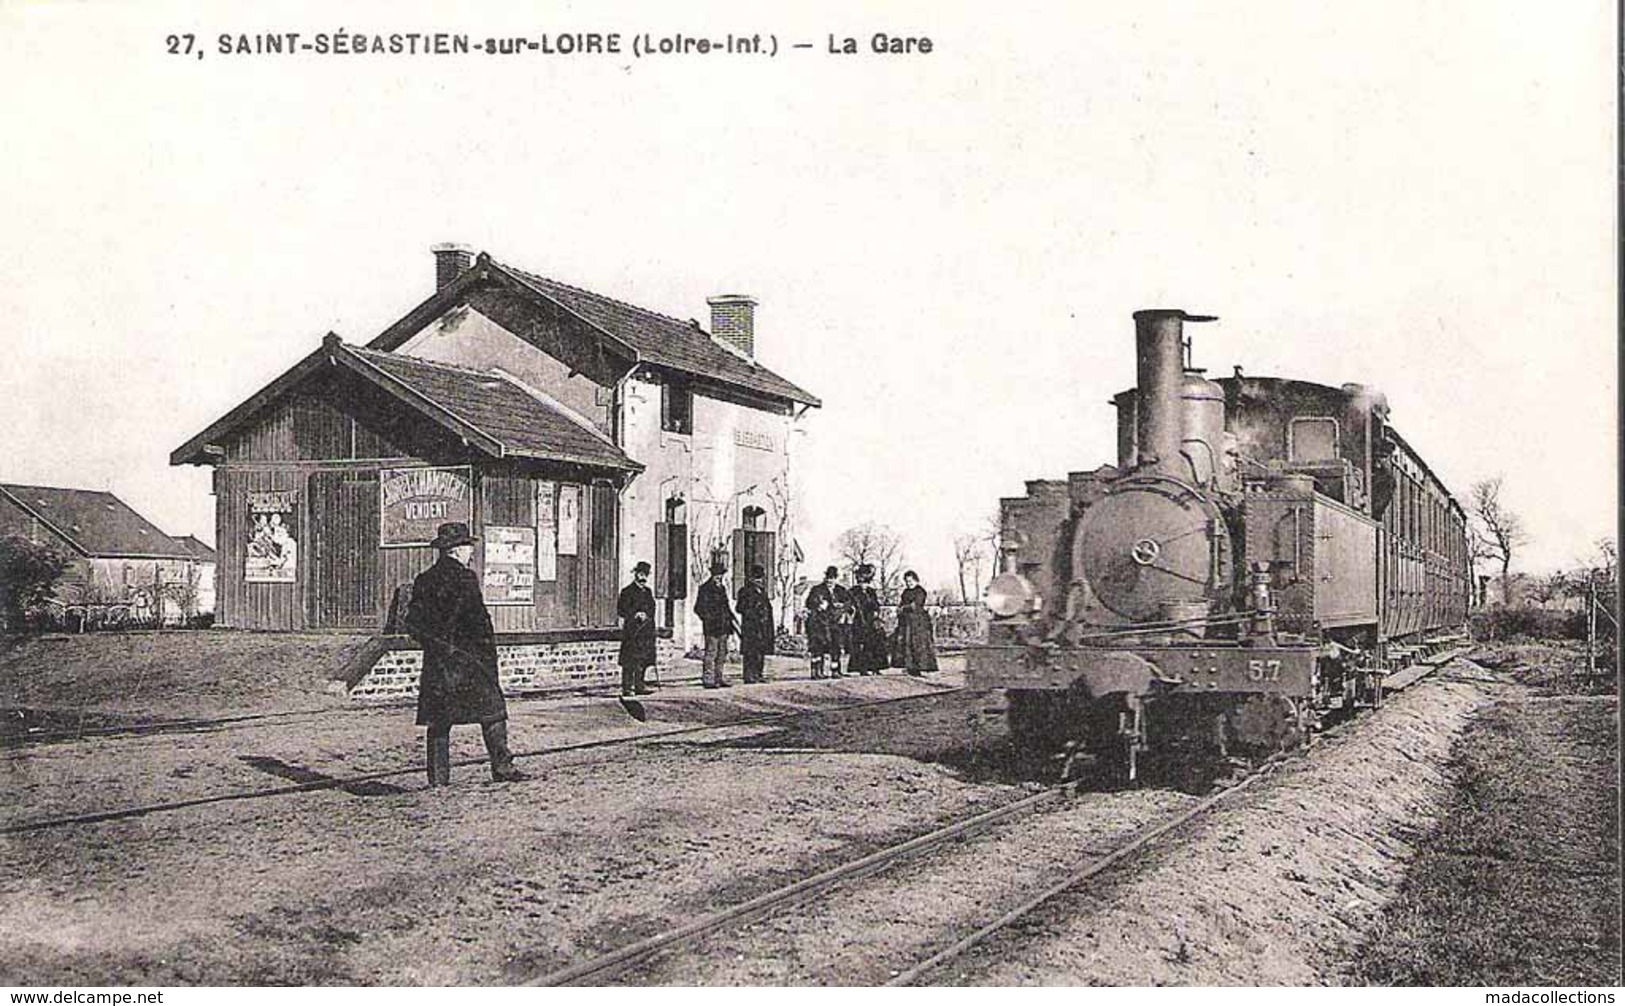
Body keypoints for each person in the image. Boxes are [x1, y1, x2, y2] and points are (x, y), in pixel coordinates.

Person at [404, 522, 525, 787]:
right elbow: (479, 622)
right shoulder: (466, 578)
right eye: (468, 546)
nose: (471, 551)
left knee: (439, 720)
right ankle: (502, 767)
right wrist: (484, 653)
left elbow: (412, 622)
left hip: (439, 662)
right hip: (470, 661)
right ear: (457, 550)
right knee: (493, 712)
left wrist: (435, 646)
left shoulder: (424, 580)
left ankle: (438, 779)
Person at [694, 558, 738, 688]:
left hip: (724, 626)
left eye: (721, 575)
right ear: (712, 575)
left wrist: (731, 619)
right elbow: (698, 608)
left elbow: (726, 606)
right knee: (711, 653)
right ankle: (708, 679)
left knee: (722, 653)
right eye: (716, 575)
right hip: (712, 627)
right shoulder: (705, 589)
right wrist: (708, 619)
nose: (719, 577)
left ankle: (719, 678)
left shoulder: (722, 589)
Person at [617, 561, 657, 697]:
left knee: (643, 660)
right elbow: (621, 610)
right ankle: (627, 687)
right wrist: (635, 614)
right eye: (640, 574)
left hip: (645, 631)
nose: (643, 577)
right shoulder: (627, 592)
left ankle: (640, 685)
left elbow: (652, 608)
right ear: (636, 574)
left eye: (645, 575)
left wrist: (647, 615)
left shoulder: (648, 592)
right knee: (630, 660)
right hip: (632, 632)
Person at [892, 570, 939, 676]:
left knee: (918, 645)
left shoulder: (920, 591)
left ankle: (920, 667)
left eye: (910, 581)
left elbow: (915, 605)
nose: (909, 583)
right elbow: (901, 604)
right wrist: (900, 609)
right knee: (907, 645)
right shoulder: (905, 592)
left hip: (918, 622)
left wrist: (903, 608)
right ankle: (910, 667)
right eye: (907, 581)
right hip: (906, 622)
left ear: (916, 580)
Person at [804, 566, 847, 679]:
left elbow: (849, 603)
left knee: (836, 646)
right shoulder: (817, 589)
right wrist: (818, 605)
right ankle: (816, 671)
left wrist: (841, 607)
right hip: (819, 623)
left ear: (836, 579)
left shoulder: (841, 590)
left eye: (832, 578)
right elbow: (808, 603)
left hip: (835, 623)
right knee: (818, 647)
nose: (829, 581)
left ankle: (835, 671)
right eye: (828, 578)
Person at [846, 563, 888, 676]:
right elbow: (848, 605)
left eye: (866, 582)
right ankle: (862, 668)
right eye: (861, 581)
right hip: (859, 621)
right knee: (860, 645)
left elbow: (876, 605)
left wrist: (876, 611)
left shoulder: (871, 592)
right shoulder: (852, 592)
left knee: (874, 644)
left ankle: (875, 667)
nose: (864, 584)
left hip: (871, 620)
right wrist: (851, 610)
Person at [736, 564, 775, 684]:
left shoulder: (762, 592)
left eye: (760, 579)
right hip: (751, 627)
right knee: (750, 652)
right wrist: (753, 611)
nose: (759, 581)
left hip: (762, 626)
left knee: (760, 651)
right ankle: (749, 675)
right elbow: (739, 608)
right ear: (751, 579)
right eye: (756, 579)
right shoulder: (744, 591)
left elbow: (767, 609)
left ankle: (758, 673)